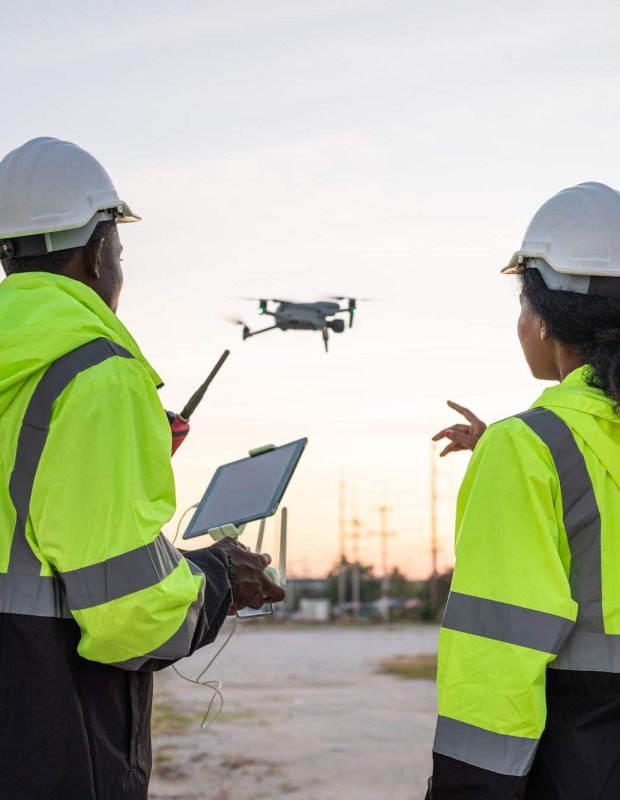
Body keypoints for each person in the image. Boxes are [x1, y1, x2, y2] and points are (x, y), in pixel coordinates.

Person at [0, 137, 284, 800]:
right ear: (99, 253)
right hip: (49, 736)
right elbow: (130, 615)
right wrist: (219, 575)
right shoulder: (96, 373)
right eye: (118, 253)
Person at [425, 182, 620, 799]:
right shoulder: (556, 446)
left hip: (577, 760)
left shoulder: (530, 448)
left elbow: (498, 653)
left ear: (541, 318)